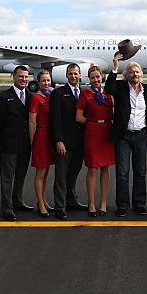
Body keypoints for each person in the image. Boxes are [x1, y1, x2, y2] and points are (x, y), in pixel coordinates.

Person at [105, 54, 147, 217]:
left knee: (140, 171)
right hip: (123, 136)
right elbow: (108, 89)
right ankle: (123, 205)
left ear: (141, 74)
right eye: (131, 72)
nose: (135, 74)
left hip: (141, 135)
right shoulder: (120, 87)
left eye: (137, 72)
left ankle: (139, 203)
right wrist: (115, 67)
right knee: (123, 172)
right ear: (127, 75)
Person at [0, 65, 34, 221]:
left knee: (21, 175)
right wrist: (5, 138)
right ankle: (7, 207)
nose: (23, 79)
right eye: (20, 76)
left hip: (25, 144)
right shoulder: (4, 96)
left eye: (25, 77)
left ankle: (17, 201)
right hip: (9, 144)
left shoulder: (31, 96)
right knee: (7, 177)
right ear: (14, 76)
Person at [76, 66, 115, 217]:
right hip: (92, 133)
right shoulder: (85, 94)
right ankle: (91, 203)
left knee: (105, 169)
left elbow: (112, 115)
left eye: (98, 77)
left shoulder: (108, 95)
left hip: (106, 133)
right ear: (89, 79)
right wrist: (93, 122)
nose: (96, 80)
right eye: (93, 78)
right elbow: (78, 117)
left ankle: (103, 202)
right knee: (92, 169)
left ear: (102, 77)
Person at [50, 63, 87, 220]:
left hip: (80, 143)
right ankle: (60, 206)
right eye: (70, 74)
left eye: (75, 73)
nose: (73, 76)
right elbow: (55, 119)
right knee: (61, 176)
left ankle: (71, 200)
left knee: (73, 174)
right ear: (66, 75)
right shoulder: (58, 93)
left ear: (80, 75)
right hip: (64, 143)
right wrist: (58, 141)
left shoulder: (84, 93)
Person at [29, 70, 56, 218]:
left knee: (45, 171)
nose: (46, 83)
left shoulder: (51, 95)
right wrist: (33, 141)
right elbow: (32, 121)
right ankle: (40, 203)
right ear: (38, 82)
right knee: (40, 172)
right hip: (40, 134)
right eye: (43, 81)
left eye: (48, 80)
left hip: (50, 136)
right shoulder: (36, 98)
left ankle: (43, 200)